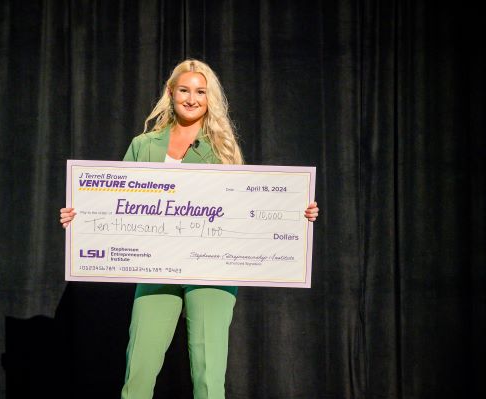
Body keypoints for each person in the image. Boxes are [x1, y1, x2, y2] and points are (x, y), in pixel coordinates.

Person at [59, 59, 319, 399]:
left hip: (211, 271)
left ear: (209, 98)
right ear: (172, 93)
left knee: (209, 376)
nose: (192, 98)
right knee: (138, 369)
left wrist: (295, 213)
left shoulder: (222, 149)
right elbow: (113, 198)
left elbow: (245, 208)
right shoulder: (144, 145)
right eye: (184, 90)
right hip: (156, 267)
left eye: (200, 91)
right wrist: (82, 217)